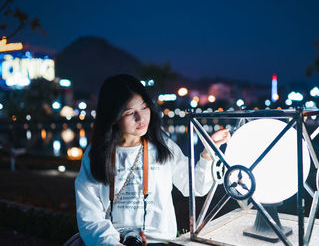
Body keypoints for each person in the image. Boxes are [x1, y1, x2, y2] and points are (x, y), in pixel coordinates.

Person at [75, 74, 230, 246]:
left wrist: (207, 154)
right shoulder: (96, 154)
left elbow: (195, 187)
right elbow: (90, 217)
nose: (140, 118)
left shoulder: (162, 146)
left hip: (161, 242)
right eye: (129, 112)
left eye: (144, 107)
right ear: (113, 116)